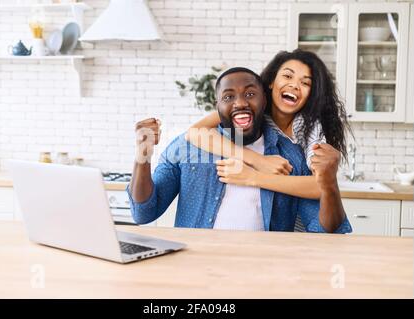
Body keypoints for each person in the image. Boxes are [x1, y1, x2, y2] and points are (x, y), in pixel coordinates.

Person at [127, 67, 351, 233]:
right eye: (228, 97)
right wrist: (142, 153)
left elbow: (326, 230)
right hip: (195, 269)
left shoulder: (289, 155)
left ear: (265, 102)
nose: (240, 103)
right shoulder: (187, 147)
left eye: (250, 94)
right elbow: (144, 212)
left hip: (264, 273)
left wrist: (329, 182)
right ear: (218, 107)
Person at [186, 49, 352, 200]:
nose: (294, 85)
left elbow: (321, 187)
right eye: (288, 76)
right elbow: (194, 132)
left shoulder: (310, 127)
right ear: (272, 81)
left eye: (305, 83)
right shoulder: (252, 110)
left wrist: (252, 177)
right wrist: (258, 161)